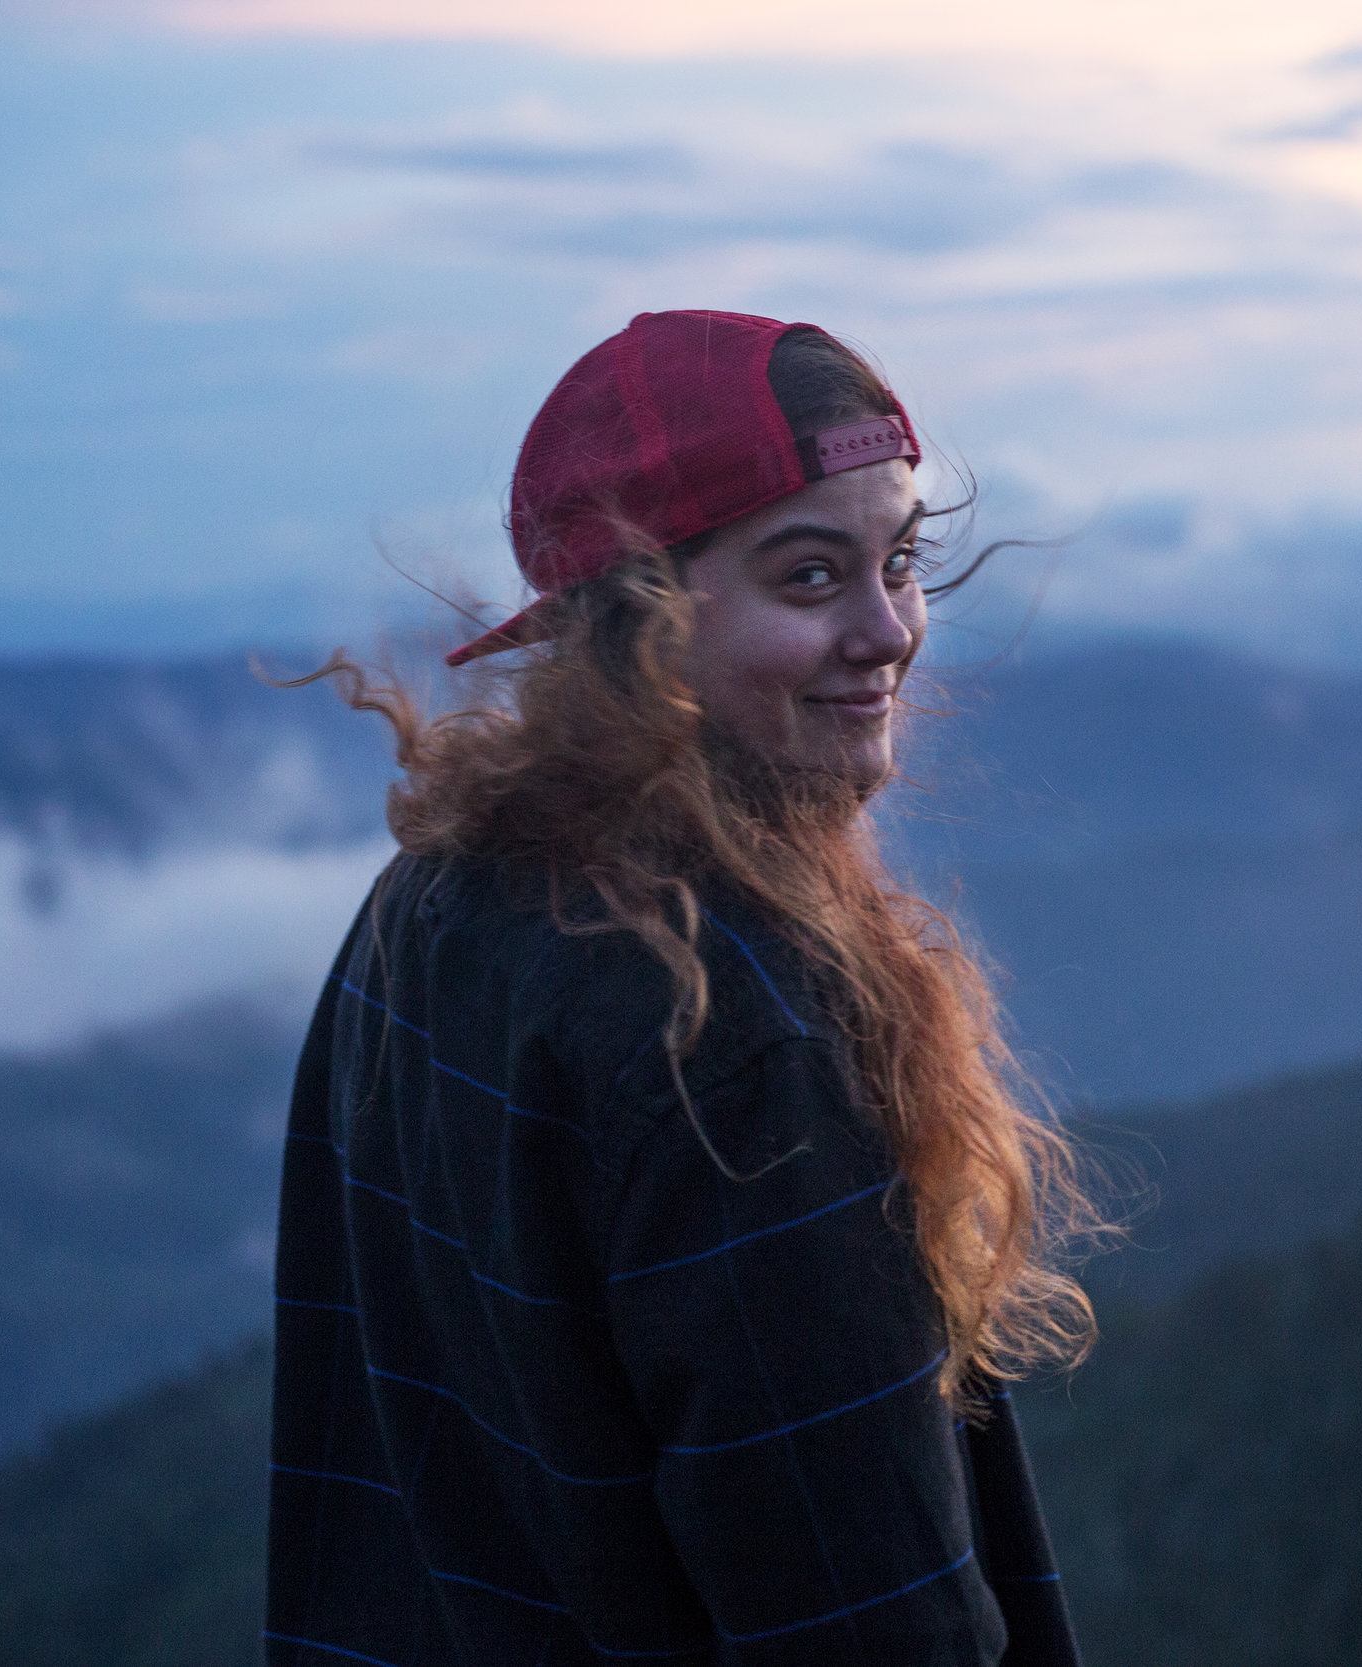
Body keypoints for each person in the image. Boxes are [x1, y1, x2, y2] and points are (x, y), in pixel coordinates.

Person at [265, 311, 1099, 1666]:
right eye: (812, 576)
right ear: (639, 618)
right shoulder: (734, 1034)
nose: (889, 631)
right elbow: (864, 1614)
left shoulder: (435, 897)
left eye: (900, 561)